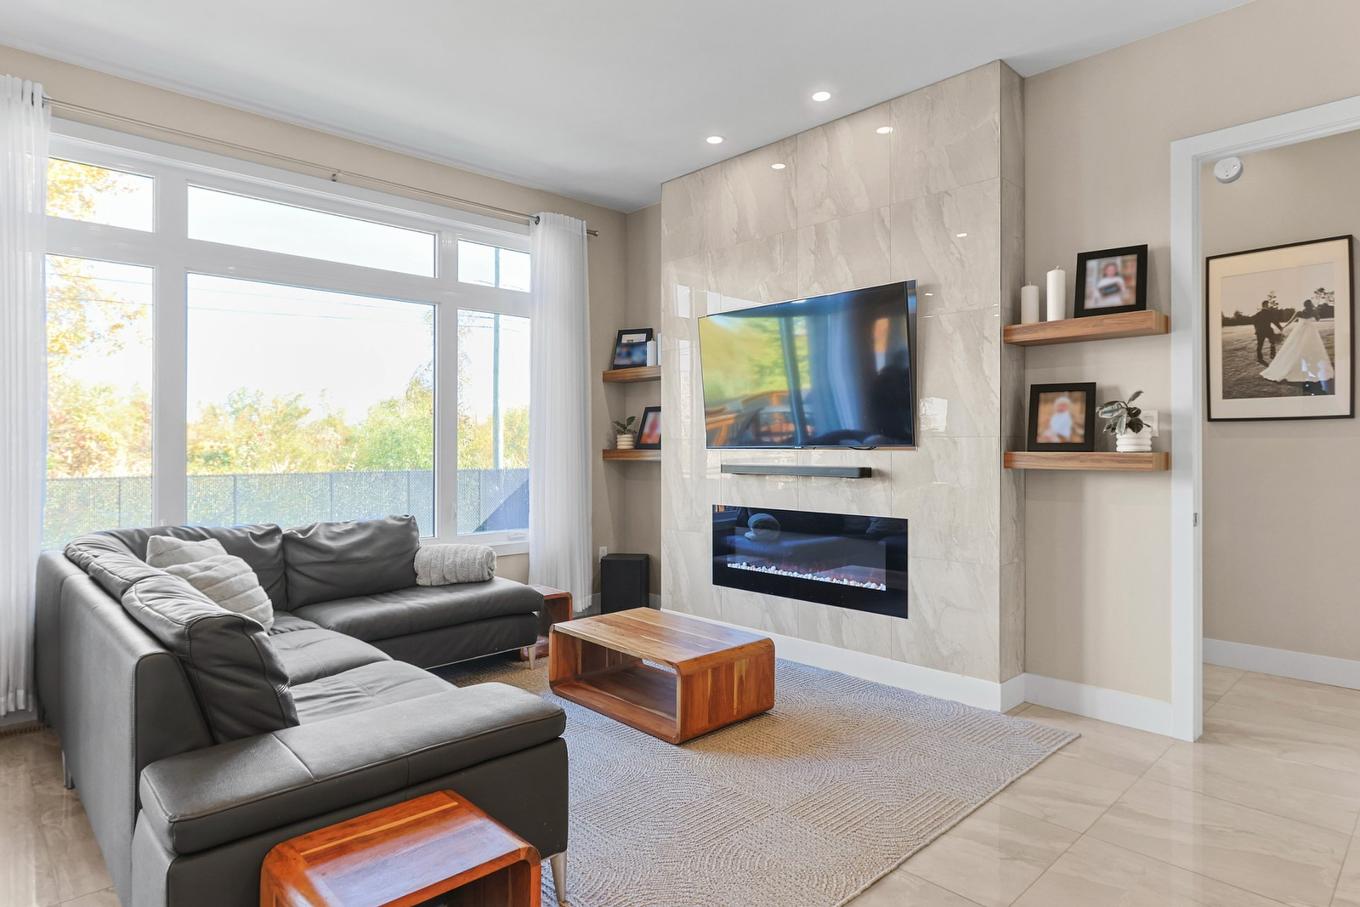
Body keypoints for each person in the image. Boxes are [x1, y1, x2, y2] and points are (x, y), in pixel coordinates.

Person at [1261, 299, 1334, 394]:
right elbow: (1318, 319)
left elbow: (1290, 321)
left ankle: (1298, 365)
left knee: (1295, 348)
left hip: (1300, 332)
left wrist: (1283, 327)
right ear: (1310, 305)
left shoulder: (1299, 312)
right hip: (1311, 332)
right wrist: (1315, 311)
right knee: (1312, 350)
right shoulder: (1313, 312)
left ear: (1304, 305)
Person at [1251, 299, 1287, 366]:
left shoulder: (1257, 314)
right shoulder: (1269, 313)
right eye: (1267, 304)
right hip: (1268, 331)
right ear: (1265, 305)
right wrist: (1280, 327)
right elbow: (1274, 321)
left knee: (1260, 345)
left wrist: (1257, 330)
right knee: (1272, 342)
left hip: (1259, 332)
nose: (1268, 306)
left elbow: (1254, 323)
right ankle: (1272, 355)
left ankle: (1259, 358)